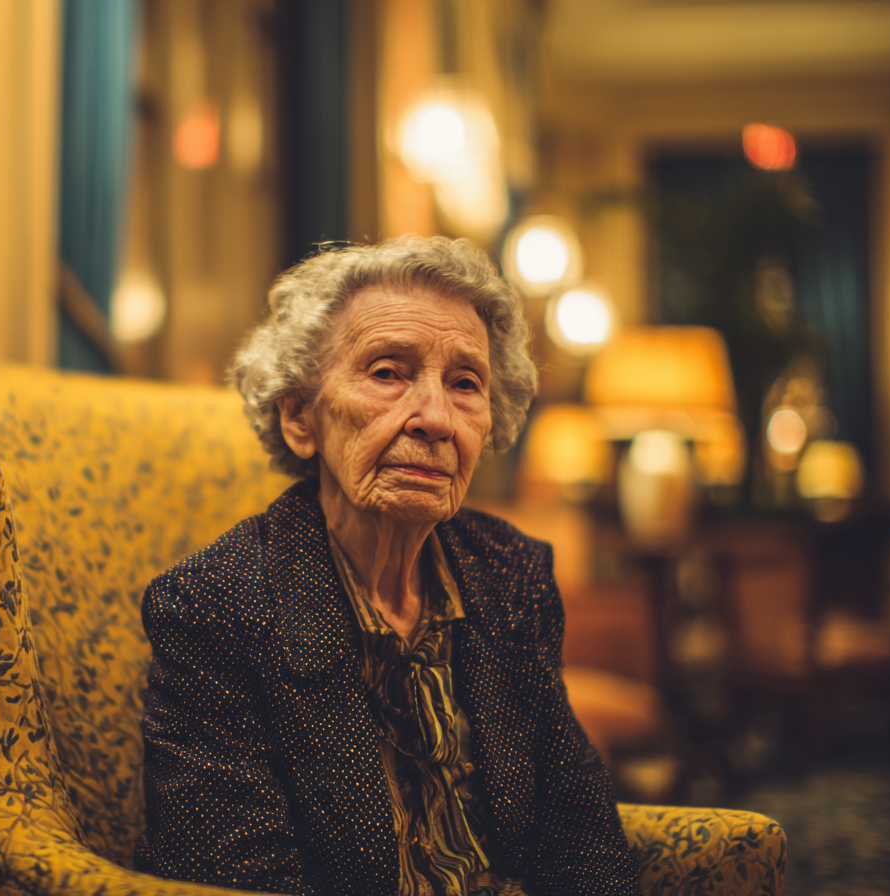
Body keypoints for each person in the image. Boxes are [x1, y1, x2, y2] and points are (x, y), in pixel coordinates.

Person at [134, 236, 640, 896]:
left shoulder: (509, 574)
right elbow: (240, 879)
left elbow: (578, 833)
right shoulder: (216, 608)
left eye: (465, 384)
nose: (434, 418)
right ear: (300, 418)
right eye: (387, 373)